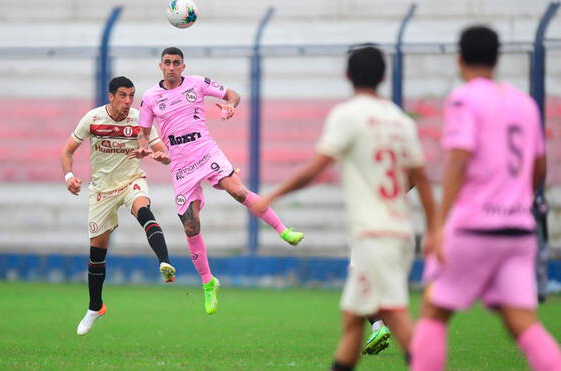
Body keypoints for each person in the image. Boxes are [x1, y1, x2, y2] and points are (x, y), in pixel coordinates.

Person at [255, 45, 436, 370]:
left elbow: (316, 167)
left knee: (392, 313)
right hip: (399, 230)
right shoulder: (400, 120)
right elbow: (421, 178)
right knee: (353, 321)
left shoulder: (348, 115)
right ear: (383, 76)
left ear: (347, 75)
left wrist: (273, 196)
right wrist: (434, 228)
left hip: (373, 233)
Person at [410, 26, 561, 371]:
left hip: (474, 226)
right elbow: (539, 166)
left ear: (459, 58)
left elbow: (458, 159)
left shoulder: (465, 97)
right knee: (521, 319)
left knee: (434, 311)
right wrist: (517, 199)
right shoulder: (525, 103)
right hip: (519, 229)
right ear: (497, 59)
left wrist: (439, 223)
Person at [137, 47, 305, 315]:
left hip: (205, 151)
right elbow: (143, 133)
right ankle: (208, 283)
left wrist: (230, 105)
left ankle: (283, 230)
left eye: (176, 63)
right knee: (191, 228)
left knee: (238, 191)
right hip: (180, 164)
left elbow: (232, 94)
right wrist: (147, 148)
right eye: (167, 63)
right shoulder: (150, 98)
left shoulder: (197, 83)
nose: (171, 67)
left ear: (183, 66)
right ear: (160, 66)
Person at [61, 76, 176, 336]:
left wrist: (159, 155)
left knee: (143, 210)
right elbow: (67, 151)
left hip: (131, 181)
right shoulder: (92, 119)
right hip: (102, 190)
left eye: (131, 96)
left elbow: (164, 152)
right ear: (111, 96)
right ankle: (95, 307)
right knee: (97, 250)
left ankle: (165, 264)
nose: (127, 102)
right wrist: (69, 176)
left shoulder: (140, 120)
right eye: (122, 95)